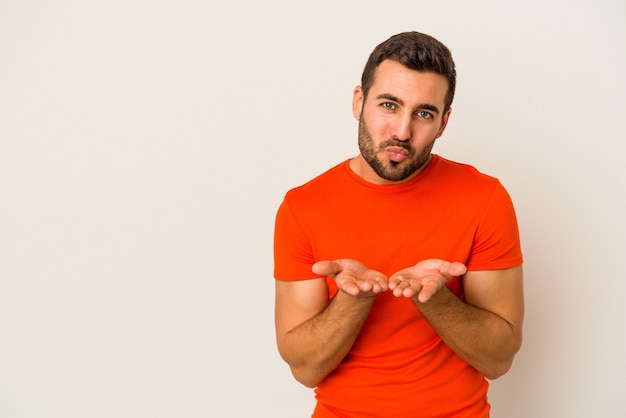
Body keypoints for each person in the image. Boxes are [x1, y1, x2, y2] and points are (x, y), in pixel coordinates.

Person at [273, 31, 524, 418]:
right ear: (359, 102)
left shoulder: (485, 199)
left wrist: (435, 299)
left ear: (443, 123)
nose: (402, 131)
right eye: (389, 105)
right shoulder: (302, 207)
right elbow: (306, 369)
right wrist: (352, 302)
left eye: (424, 113)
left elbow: (498, 359)